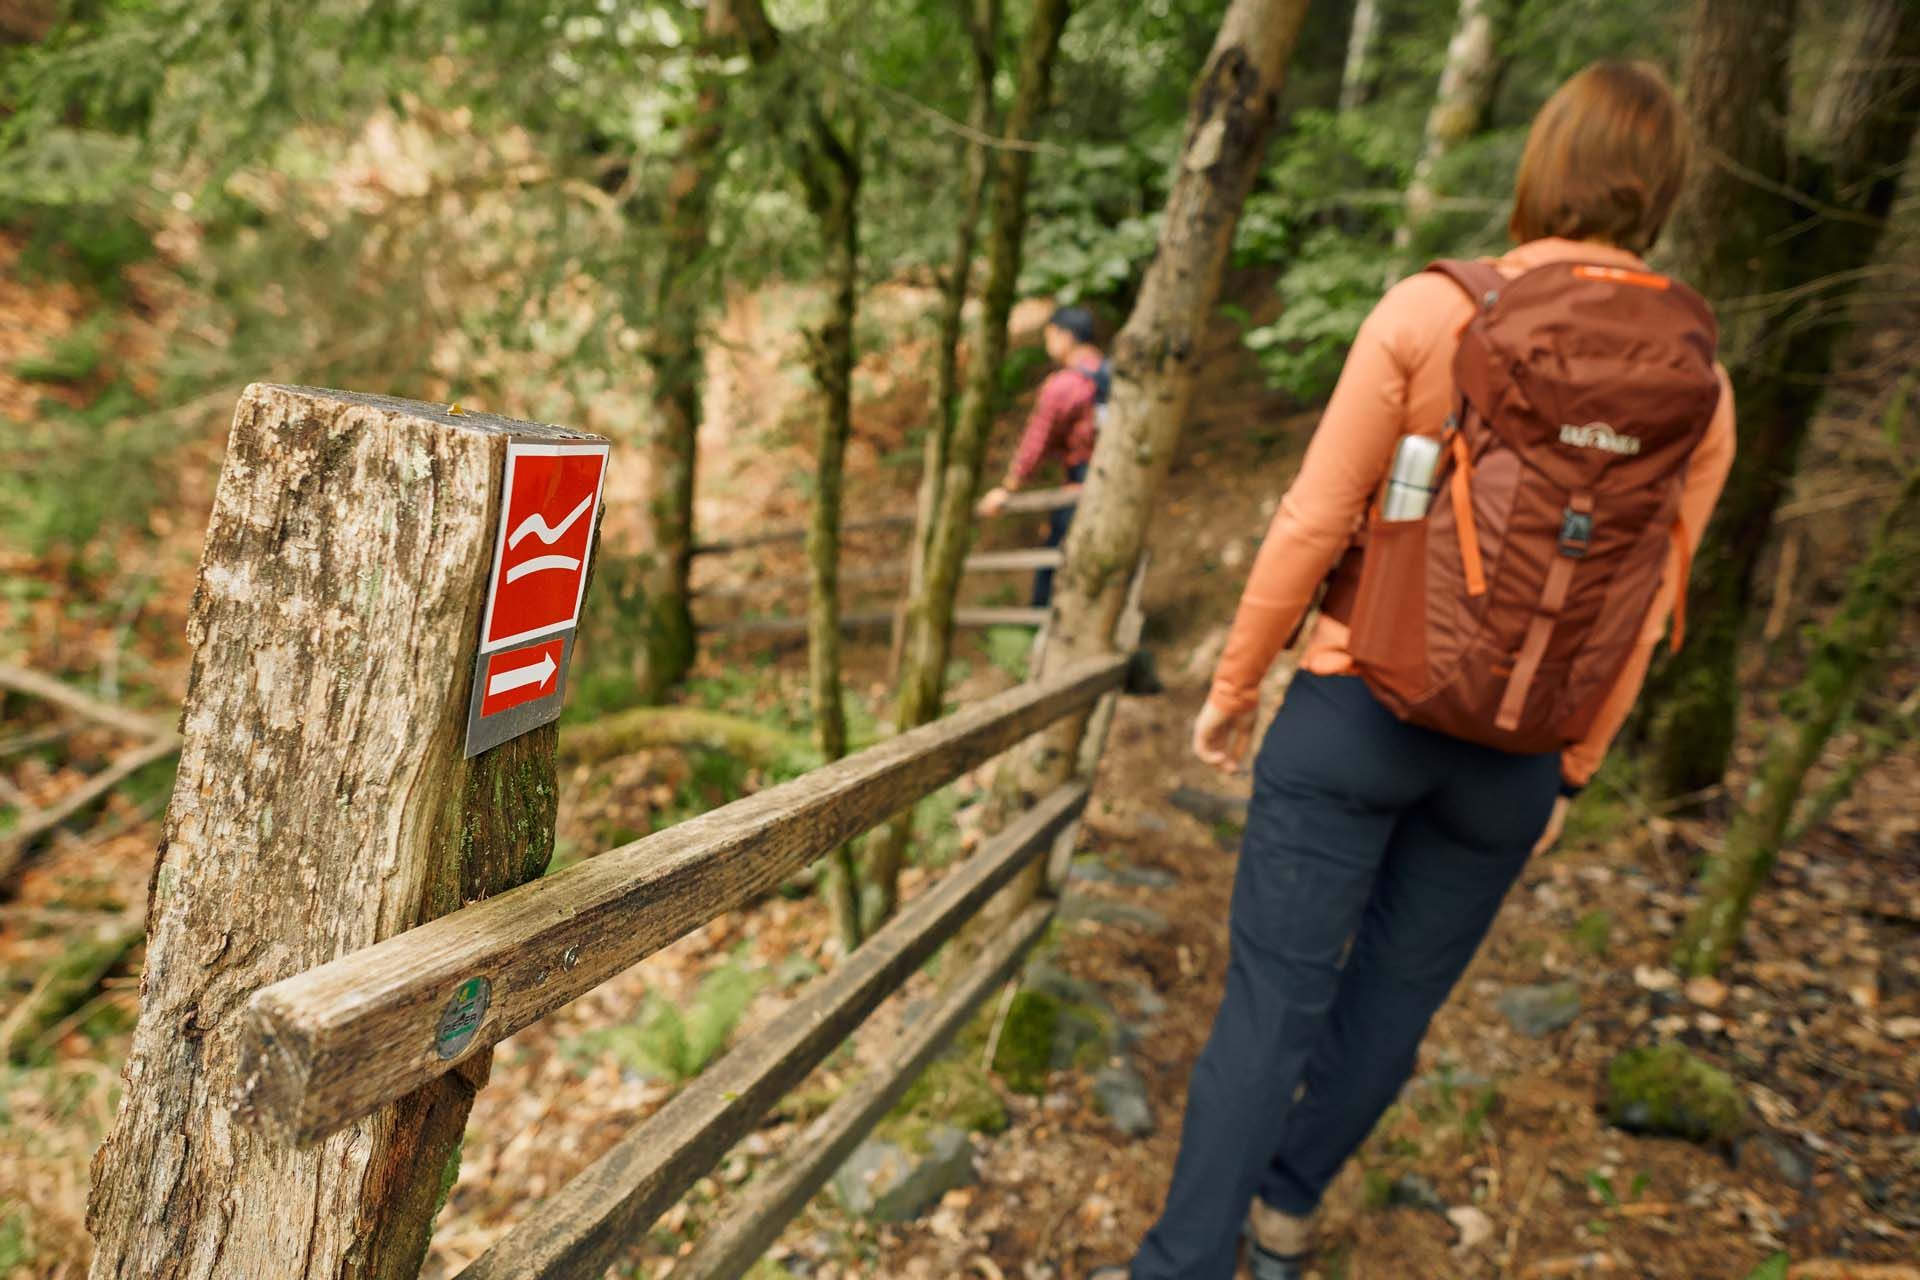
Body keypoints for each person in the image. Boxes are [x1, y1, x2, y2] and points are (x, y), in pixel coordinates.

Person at [1092, 62, 1736, 1280]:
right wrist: (1573, 771)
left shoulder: (1433, 312)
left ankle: (1183, 1265)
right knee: (1392, 1008)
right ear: (1664, 192)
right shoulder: (1702, 385)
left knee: (1269, 1007)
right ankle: (1285, 1218)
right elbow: (1651, 604)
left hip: (1356, 711)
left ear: (1541, 166)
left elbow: (1312, 521)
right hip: (1512, 761)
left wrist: (1234, 690)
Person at [976, 304, 1107, 606]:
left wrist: (1008, 487)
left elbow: (1036, 442)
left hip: (1080, 484)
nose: (1048, 345)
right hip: (1117, 483)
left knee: (1054, 561)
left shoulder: (1065, 385)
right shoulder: (1113, 376)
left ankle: (1042, 625)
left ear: (1066, 336)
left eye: (1050, 336)